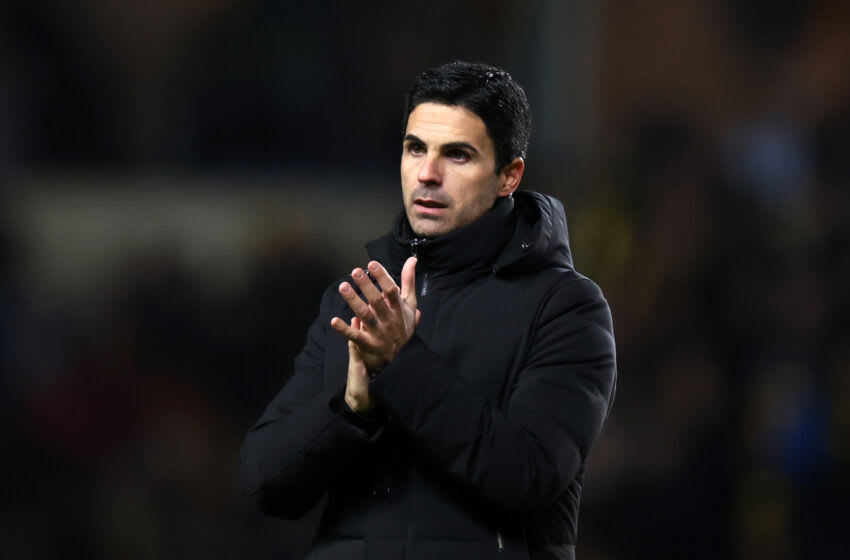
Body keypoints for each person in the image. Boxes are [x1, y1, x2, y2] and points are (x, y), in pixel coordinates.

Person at [239, 61, 617, 560]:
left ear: (509, 176)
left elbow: (529, 473)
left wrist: (401, 364)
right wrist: (352, 412)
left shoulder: (565, 307)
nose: (427, 174)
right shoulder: (356, 297)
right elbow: (264, 484)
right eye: (415, 148)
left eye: (457, 155)